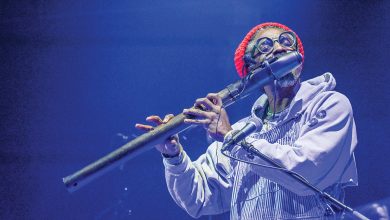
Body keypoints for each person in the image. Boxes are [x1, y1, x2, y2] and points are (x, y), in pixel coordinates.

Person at [136, 22, 358, 219]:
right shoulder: (243, 130)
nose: (281, 48)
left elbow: (308, 170)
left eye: (287, 42)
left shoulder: (329, 104)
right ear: (251, 70)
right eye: (265, 46)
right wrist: (173, 156)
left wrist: (231, 137)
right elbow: (200, 198)